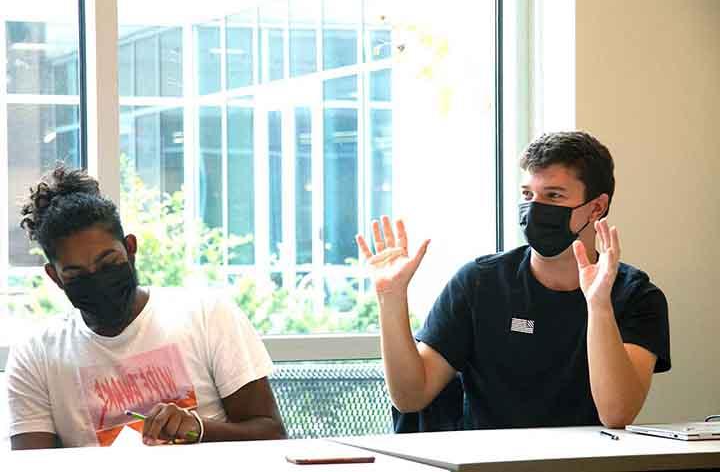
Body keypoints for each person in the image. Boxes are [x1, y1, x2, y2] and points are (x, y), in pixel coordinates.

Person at [356, 131, 670, 430]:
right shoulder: (479, 282)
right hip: (488, 463)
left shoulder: (636, 295)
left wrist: (599, 305)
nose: (534, 208)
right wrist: (391, 297)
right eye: (527, 194)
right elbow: (412, 396)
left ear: (597, 207)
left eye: (554, 195)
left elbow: (617, 412)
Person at [7, 165, 286, 449]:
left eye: (107, 263)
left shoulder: (208, 314)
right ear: (55, 277)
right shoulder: (36, 356)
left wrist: (199, 429)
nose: (98, 281)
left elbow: (272, 435)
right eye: (77, 274)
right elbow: (31, 463)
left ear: (130, 248)